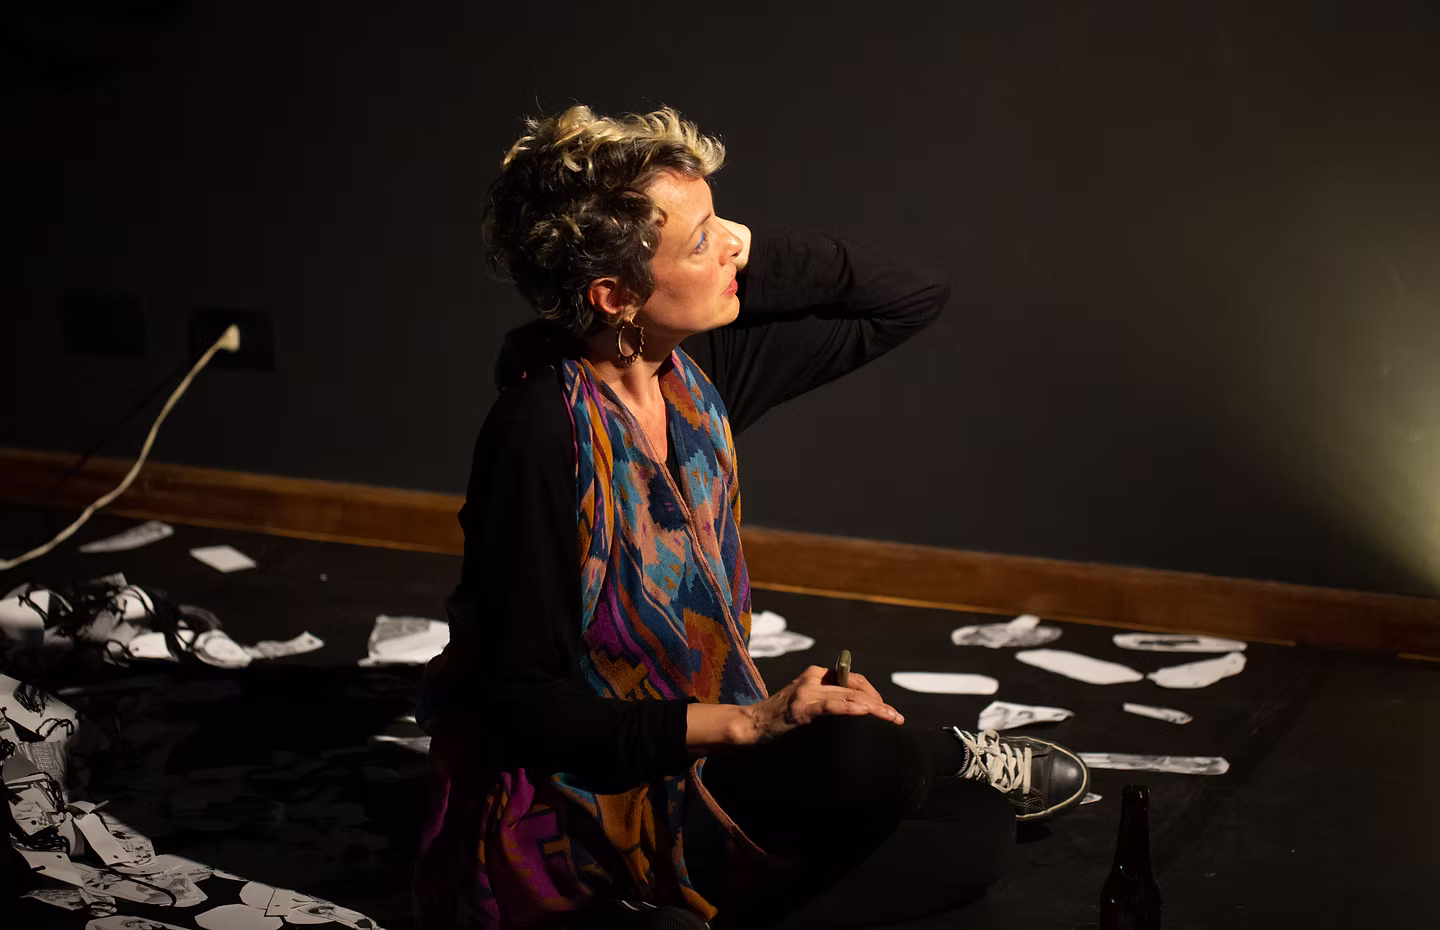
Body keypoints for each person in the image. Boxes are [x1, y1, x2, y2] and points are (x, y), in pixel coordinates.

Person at [416, 105, 1090, 930]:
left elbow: (909, 296)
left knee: (974, 825)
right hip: (590, 793)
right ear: (615, 294)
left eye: (723, 226)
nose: (732, 248)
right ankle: (931, 755)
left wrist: (737, 244)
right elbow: (527, 711)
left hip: (701, 759)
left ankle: (729, 895)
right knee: (862, 759)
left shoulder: (696, 378)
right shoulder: (538, 436)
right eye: (702, 241)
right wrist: (755, 722)